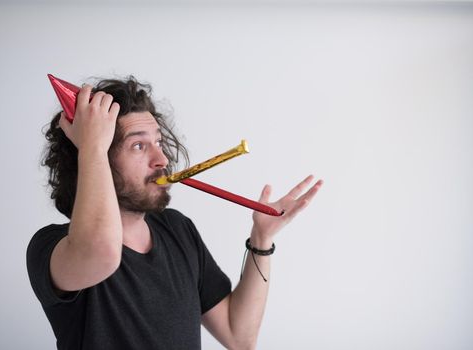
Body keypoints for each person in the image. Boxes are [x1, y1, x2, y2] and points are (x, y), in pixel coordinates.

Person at [27, 76, 323, 350]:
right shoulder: (52, 247)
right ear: (94, 155)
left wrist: (261, 239)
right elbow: (102, 252)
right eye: (139, 145)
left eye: (158, 141)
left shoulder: (177, 229)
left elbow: (239, 335)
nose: (162, 159)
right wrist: (91, 143)